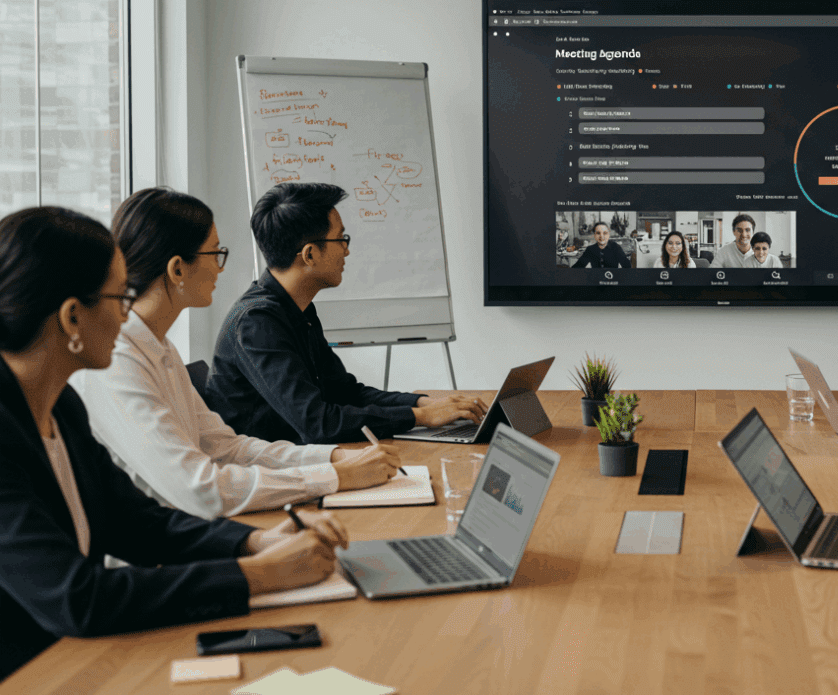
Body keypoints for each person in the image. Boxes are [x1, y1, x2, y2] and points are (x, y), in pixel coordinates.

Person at [0, 206, 350, 681]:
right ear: (71, 317)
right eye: (121, 297)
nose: (130, 313)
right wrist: (261, 574)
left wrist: (254, 540)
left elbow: (135, 519)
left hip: (75, 656)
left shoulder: (60, 406)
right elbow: (78, 597)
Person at [70, 189, 401, 519]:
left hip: (191, 530)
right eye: (215, 253)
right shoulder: (117, 362)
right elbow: (201, 490)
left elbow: (226, 448)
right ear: (177, 270)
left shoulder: (158, 346)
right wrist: (335, 476)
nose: (220, 268)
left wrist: (334, 459)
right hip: (159, 551)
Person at [205, 183, 486, 444]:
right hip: (269, 476)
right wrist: (419, 418)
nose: (347, 251)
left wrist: (422, 404)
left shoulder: (298, 309)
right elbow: (317, 423)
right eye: (341, 239)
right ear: (310, 254)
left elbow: (346, 392)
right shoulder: (256, 323)